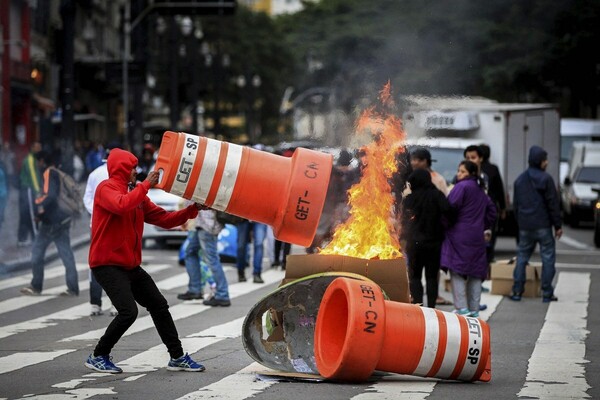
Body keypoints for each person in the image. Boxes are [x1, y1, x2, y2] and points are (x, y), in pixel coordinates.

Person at [84, 148, 205, 374]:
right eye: (132, 168)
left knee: (159, 305)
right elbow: (121, 204)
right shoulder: (106, 189)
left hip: (129, 265)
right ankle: (98, 355)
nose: (136, 171)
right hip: (107, 263)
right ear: (121, 169)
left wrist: (192, 210)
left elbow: (164, 218)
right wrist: (145, 185)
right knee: (128, 312)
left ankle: (177, 356)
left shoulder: (136, 194)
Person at [441, 160, 496, 317]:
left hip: (458, 235)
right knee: (475, 272)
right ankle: (474, 309)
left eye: (463, 171)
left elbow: (449, 208)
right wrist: (482, 224)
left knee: (456, 270)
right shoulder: (480, 189)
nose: (459, 174)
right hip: (476, 236)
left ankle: (462, 308)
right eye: (459, 171)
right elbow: (492, 211)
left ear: (471, 174)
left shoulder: (461, 187)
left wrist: (445, 225)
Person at [20, 150, 79, 297]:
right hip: (63, 219)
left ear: (41, 162)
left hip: (51, 222)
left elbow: (50, 196)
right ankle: (73, 288)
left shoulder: (48, 173)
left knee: (37, 253)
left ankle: (36, 285)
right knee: (66, 254)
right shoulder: (58, 172)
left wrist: (37, 206)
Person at [511, 145, 562, 303]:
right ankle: (546, 292)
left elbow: (516, 205)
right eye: (545, 160)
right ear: (540, 161)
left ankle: (517, 291)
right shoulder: (546, 179)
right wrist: (558, 225)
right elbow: (553, 204)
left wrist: (520, 222)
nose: (546, 163)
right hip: (543, 225)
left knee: (522, 257)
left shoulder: (520, 179)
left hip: (525, 225)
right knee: (547, 257)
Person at [401, 169, 452, 308]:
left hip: (414, 243)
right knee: (431, 277)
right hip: (434, 242)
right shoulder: (437, 195)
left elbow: (403, 220)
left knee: (415, 276)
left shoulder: (409, 199)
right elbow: (449, 210)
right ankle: (431, 307)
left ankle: (419, 307)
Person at [83, 143, 120, 316]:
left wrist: (97, 211)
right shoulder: (122, 176)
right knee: (115, 264)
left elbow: (87, 198)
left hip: (96, 226)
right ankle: (115, 303)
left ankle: (95, 303)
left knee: (96, 263)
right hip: (114, 226)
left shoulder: (94, 174)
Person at [179, 207, 231, 306]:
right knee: (190, 252)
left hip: (207, 225)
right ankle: (195, 289)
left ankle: (222, 294)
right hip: (201, 224)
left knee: (212, 259)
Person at [479, 144, 506, 263]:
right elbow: (500, 189)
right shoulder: (493, 169)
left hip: (477, 207)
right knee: (490, 233)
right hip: (491, 207)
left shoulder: (474, 169)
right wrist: (503, 208)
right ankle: (488, 257)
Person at [17, 141, 42, 246]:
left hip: (27, 189)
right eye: (37, 147)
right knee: (32, 212)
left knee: (25, 214)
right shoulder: (30, 160)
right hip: (28, 189)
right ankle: (35, 236)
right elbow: (33, 176)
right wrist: (37, 191)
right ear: (32, 148)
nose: (39, 149)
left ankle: (22, 238)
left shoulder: (32, 159)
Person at [236, 219, 267, 283]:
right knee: (241, 246)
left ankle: (257, 273)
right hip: (242, 217)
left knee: (259, 244)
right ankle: (241, 272)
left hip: (259, 217)